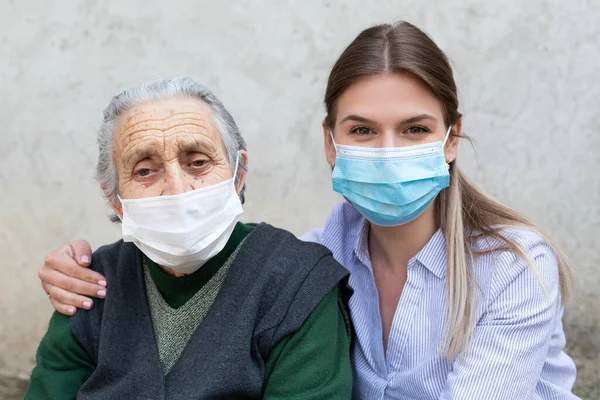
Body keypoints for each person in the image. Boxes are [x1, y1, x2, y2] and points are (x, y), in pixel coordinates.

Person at [37, 22, 578, 399]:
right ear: (330, 142)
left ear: (451, 138)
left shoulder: (512, 265)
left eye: (415, 129)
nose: (387, 151)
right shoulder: (318, 259)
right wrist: (72, 268)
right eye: (362, 130)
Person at [26, 77, 353, 399]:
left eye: (198, 162)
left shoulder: (297, 285)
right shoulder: (88, 287)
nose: (177, 189)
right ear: (115, 199)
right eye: (144, 171)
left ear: (238, 174)